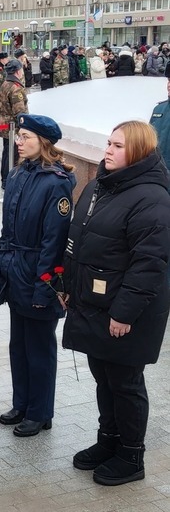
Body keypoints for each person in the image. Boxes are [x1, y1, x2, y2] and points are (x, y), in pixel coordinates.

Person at [62, 120, 170, 486]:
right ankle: (107, 440)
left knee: (125, 382)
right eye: (108, 143)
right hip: (94, 303)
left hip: (127, 312)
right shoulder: (102, 185)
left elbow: (149, 264)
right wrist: (67, 285)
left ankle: (131, 454)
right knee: (103, 377)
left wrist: (124, 313)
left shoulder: (152, 197)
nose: (108, 150)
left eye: (118, 146)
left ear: (138, 152)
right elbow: (79, 239)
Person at [0, 114, 76, 437]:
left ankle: (40, 412)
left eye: (26, 137)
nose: (19, 142)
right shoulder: (18, 175)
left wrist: (46, 288)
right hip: (16, 271)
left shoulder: (56, 182)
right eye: (19, 135)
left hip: (38, 274)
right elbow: (7, 229)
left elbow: (54, 242)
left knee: (39, 349)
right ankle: (22, 403)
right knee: (19, 345)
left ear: (44, 143)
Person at [0, 59, 29, 188]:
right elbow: (20, 112)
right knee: (14, 154)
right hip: (14, 127)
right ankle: (9, 180)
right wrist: (26, 126)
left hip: (5, 124)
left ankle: (4, 179)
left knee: (7, 152)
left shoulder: (5, 83)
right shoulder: (15, 88)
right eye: (21, 69)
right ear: (17, 71)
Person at [150, 64, 170, 175]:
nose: (169, 85)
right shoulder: (159, 109)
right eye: (169, 80)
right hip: (157, 175)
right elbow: (148, 142)